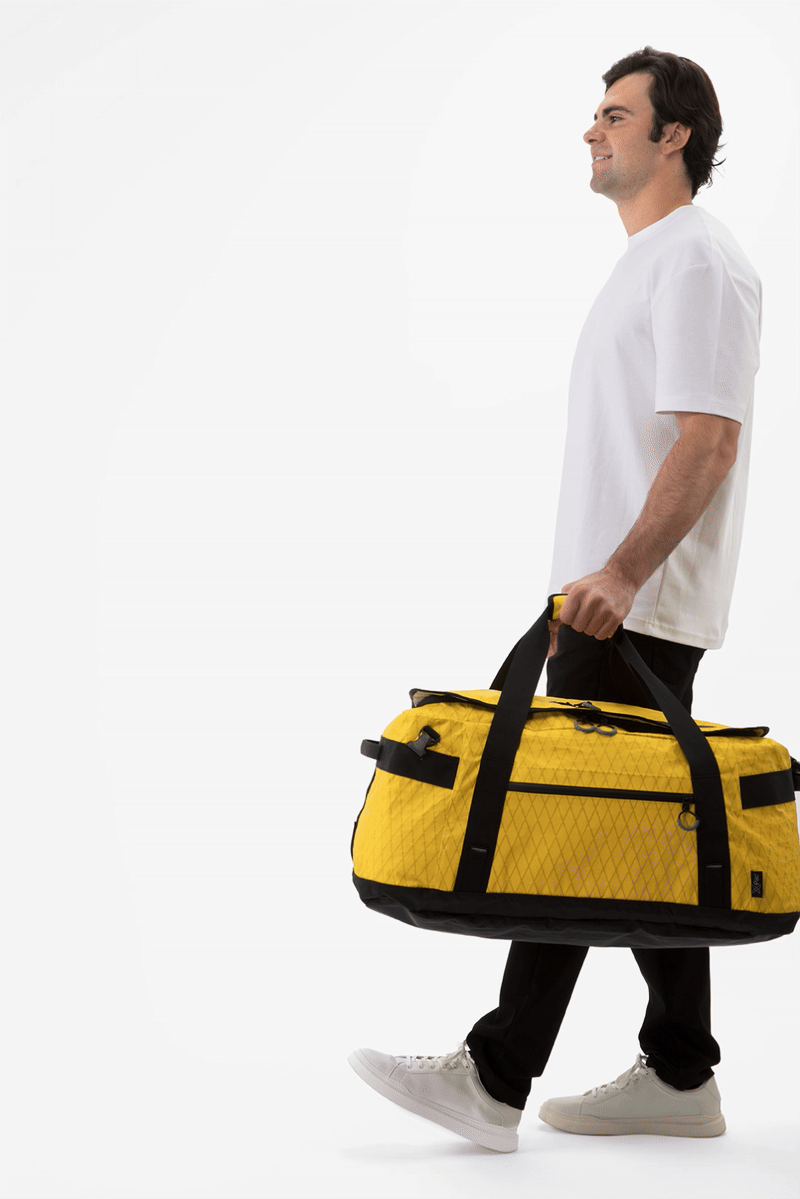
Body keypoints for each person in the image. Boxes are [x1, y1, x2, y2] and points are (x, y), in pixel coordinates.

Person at [348, 46, 761, 1153]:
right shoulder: (652, 260)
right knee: (634, 820)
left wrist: (620, 574)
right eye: (596, 114)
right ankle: (680, 1073)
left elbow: (708, 441)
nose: (592, 129)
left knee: (567, 820)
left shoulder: (697, 259)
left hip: (630, 600)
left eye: (616, 114)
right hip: (606, 596)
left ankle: (494, 1076)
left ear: (674, 135)